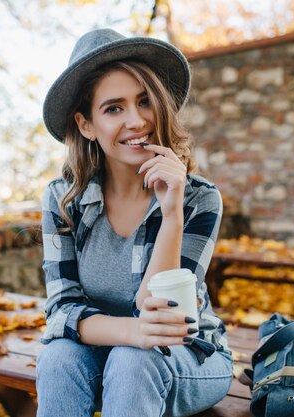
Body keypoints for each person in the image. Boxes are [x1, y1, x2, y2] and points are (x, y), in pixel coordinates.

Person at [37, 28, 233, 417]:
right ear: (86, 124)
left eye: (144, 101)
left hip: (186, 355)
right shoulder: (64, 199)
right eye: (114, 108)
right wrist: (131, 332)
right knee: (58, 358)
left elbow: (161, 314)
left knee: (133, 361)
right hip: (102, 351)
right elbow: (61, 311)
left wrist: (172, 214)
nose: (137, 120)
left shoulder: (198, 198)